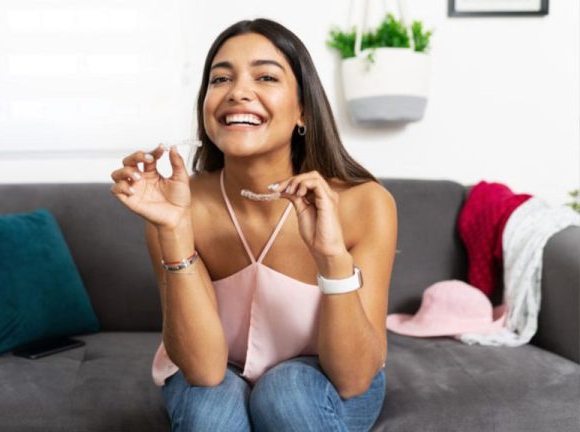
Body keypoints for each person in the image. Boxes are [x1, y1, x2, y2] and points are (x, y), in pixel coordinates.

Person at [110, 18, 397, 432]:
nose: (238, 92)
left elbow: (353, 378)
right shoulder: (175, 203)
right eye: (220, 79)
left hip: (328, 381)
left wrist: (332, 258)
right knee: (210, 406)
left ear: (303, 110)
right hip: (214, 370)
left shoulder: (365, 203)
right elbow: (205, 371)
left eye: (265, 76)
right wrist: (173, 229)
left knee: (287, 389)